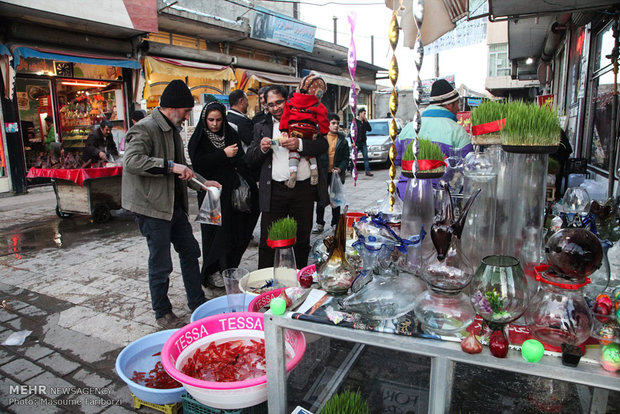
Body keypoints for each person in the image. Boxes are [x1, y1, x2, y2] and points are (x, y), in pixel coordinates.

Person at [122, 79, 220, 329]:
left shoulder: (173, 131)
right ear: (173, 108)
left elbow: (183, 169)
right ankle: (162, 310)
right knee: (161, 261)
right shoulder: (144, 129)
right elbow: (132, 162)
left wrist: (203, 182)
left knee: (190, 250)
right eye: (187, 111)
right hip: (152, 208)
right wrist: (169, 166)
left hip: (173, 207)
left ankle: (197, 302)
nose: (187, 116)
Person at [246, 85, 329, 269]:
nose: (275, 108)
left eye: (279, 102)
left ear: (287, 101)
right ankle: (266, 281)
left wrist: (300, 144)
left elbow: (323, 145)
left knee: (302, 238)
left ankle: (299, 278)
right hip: (275, 189)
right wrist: (262, 148)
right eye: (271, 105)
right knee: (270, 239)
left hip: (304, 189)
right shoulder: (261, 126)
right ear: (266, 106)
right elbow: (250, 157)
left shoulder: (306, 118)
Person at [188, 101, 259, 288]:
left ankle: (227, 269)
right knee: (212, 236)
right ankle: (211, 273)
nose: (214, 124)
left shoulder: (230, 133)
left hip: (231, 194)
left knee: (231, 233)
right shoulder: (199, 138)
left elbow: (242, 160)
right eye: (211, 120)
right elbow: (198, 164)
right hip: (210, 195)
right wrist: (223, 154)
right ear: (204, 119)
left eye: (218, 120)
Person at [395, 79, 472, 197]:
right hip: (439, 199)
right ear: (449, 104)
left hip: (406, 196)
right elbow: (468, 168)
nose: (458, 108)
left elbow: (395, 159)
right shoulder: (458, 131)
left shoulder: (409, 128)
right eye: (457, 104)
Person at [279, 74, 329, 188]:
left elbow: (285, 117)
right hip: (310, 130)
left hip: (294, 129)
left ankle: (293, 173)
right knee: (310, 150)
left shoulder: (291, 102)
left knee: (293, 151)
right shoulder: (318, 105)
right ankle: (314, 169)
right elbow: (323, 121)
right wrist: (324, 133)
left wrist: (283, 130)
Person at [313, 113, 350, 233]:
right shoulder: (320, 137)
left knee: (335, 200)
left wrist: (340, 168)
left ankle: (335, 223)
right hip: (322, 173)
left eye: (337, 123)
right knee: (321, 199)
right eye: (333, 123)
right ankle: (319, 223)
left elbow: (346, 157)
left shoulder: (342, 140)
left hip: (335, 174)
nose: (335, 126)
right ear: (327, 124)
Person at [352, 108, 373, 177]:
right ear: (360, 113)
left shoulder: (364, 122)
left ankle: (367, 171)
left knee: (365, 157)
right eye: (364, 113)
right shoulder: (355, 121)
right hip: (357, 142)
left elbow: (369, 129)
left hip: (363, 142)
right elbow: (351, 132)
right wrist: (353, 142)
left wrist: (366, 121)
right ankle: (352, 169)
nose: (364, 115)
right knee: (354, 157)